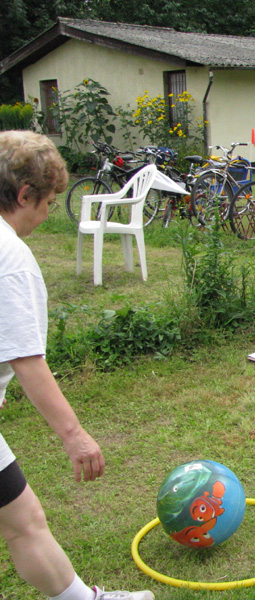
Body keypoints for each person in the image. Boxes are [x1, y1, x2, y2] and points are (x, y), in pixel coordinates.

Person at [0, 131, 154, 600]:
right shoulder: (10, 258)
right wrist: (74, 435)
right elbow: (27, 360)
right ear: (24, 196)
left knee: (22, 520)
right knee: (24, 522)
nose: (48, 215)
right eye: (47, 203)